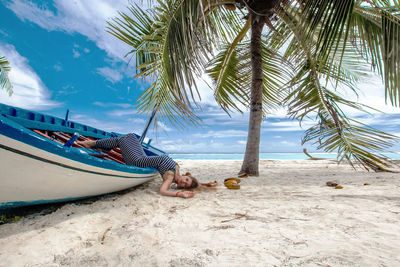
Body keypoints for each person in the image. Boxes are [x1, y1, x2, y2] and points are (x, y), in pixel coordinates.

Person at [79, 133, 199, 198]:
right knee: (131, 136)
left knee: (123, 139)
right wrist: (204, 184)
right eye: (187, 179)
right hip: (143, 158)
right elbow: (194, 182)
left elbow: (162, 191)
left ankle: (92, 143)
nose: (184, 181)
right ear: (186, 176)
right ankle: (102, 145)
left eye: (185, 184)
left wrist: (179, 194)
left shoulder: (170, 177)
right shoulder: (178, 170)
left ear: (181, 186)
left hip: (136, 160)